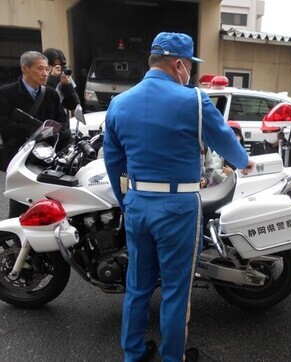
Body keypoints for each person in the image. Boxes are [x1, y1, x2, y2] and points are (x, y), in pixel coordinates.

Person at [103, 32, 255, 362]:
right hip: (178, 208)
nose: (190, 73)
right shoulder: (193, 101)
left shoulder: (118, 103)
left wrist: (126, 201)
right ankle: (173, 358)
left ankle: (133, 354)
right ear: (178, 64)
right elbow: (225, 140)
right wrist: (244, 162)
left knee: (138, 286)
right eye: (189, 66)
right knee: (175, 289)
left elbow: (113, 163)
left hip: (137, 204)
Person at [0, 50, 71, 217]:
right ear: (25, 68)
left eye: (47, 69)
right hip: (19, 156)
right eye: (40, 69)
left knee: (49, 203)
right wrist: (33, 131)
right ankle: (17, 239)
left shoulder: (50, 94)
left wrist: (54, 132)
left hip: (48, 155)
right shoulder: (6, 93)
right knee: (20, 203)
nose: (45, 73)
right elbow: (3, 124)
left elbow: (63, 120)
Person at [42, 48, 80, 112]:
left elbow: (74, 105)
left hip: (61, 119)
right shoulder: (40, 78)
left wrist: (66, 86)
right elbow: (46, 103)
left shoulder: (63, 77)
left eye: (61, 65)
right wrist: (52, 79)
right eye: (55, 65)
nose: (58, 68)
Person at [211, 120, 245, 185]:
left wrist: (233, 174)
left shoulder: (244, 154)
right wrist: (230, 182)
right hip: (223, 189)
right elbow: (216, 173)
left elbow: (247, 172)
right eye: (231, 134)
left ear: (241, 137)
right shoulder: (218, 152)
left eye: (236, 135)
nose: (234, 137)